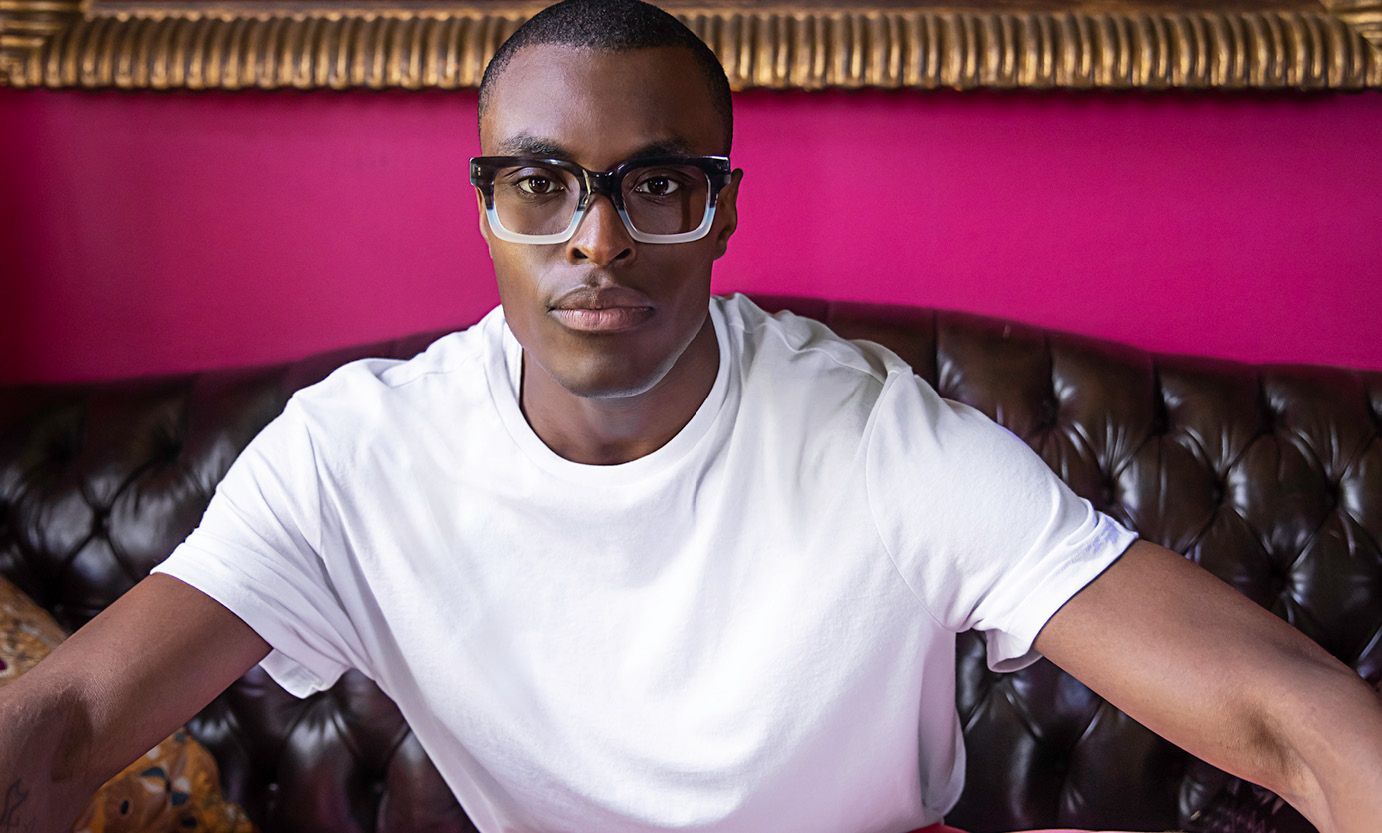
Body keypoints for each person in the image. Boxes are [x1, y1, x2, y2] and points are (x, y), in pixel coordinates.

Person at [3, 1, 1381, 832]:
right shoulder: (355, 454)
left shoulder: (875, 440)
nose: (596, 241)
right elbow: (63, 724)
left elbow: (1284, 716)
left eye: (656, 185)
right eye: (539, 183)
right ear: (483, 209)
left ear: (722, 209)